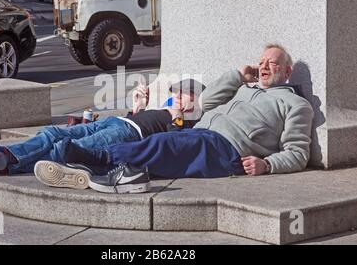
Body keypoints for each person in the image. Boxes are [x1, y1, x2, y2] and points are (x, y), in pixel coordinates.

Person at [37, 44, 314, 194]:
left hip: (229, 151)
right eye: (262, 61)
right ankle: (111, 173)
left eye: (273, 63)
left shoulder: (295, 104)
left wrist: (267, 164)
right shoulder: (243, 89)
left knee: (163, 147)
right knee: (161, 144)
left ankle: (92, 158)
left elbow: (298, 153)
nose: (265, 66)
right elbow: (205, 103)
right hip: (203, 135)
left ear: (287, 71)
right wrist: (239, 77)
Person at [0, 79, 205, 182]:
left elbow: (172, 145)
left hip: (127, 135)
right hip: (118, 122)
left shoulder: (188, 124)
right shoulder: (166, 111)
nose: (176, 96)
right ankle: (6, 156)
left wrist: (177, 120)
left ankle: (5, 165)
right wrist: (138, 108)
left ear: (195, 101)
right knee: (53, 133)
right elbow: (139, 120)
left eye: (183, 94)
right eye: (176, 92)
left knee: (69, 149)